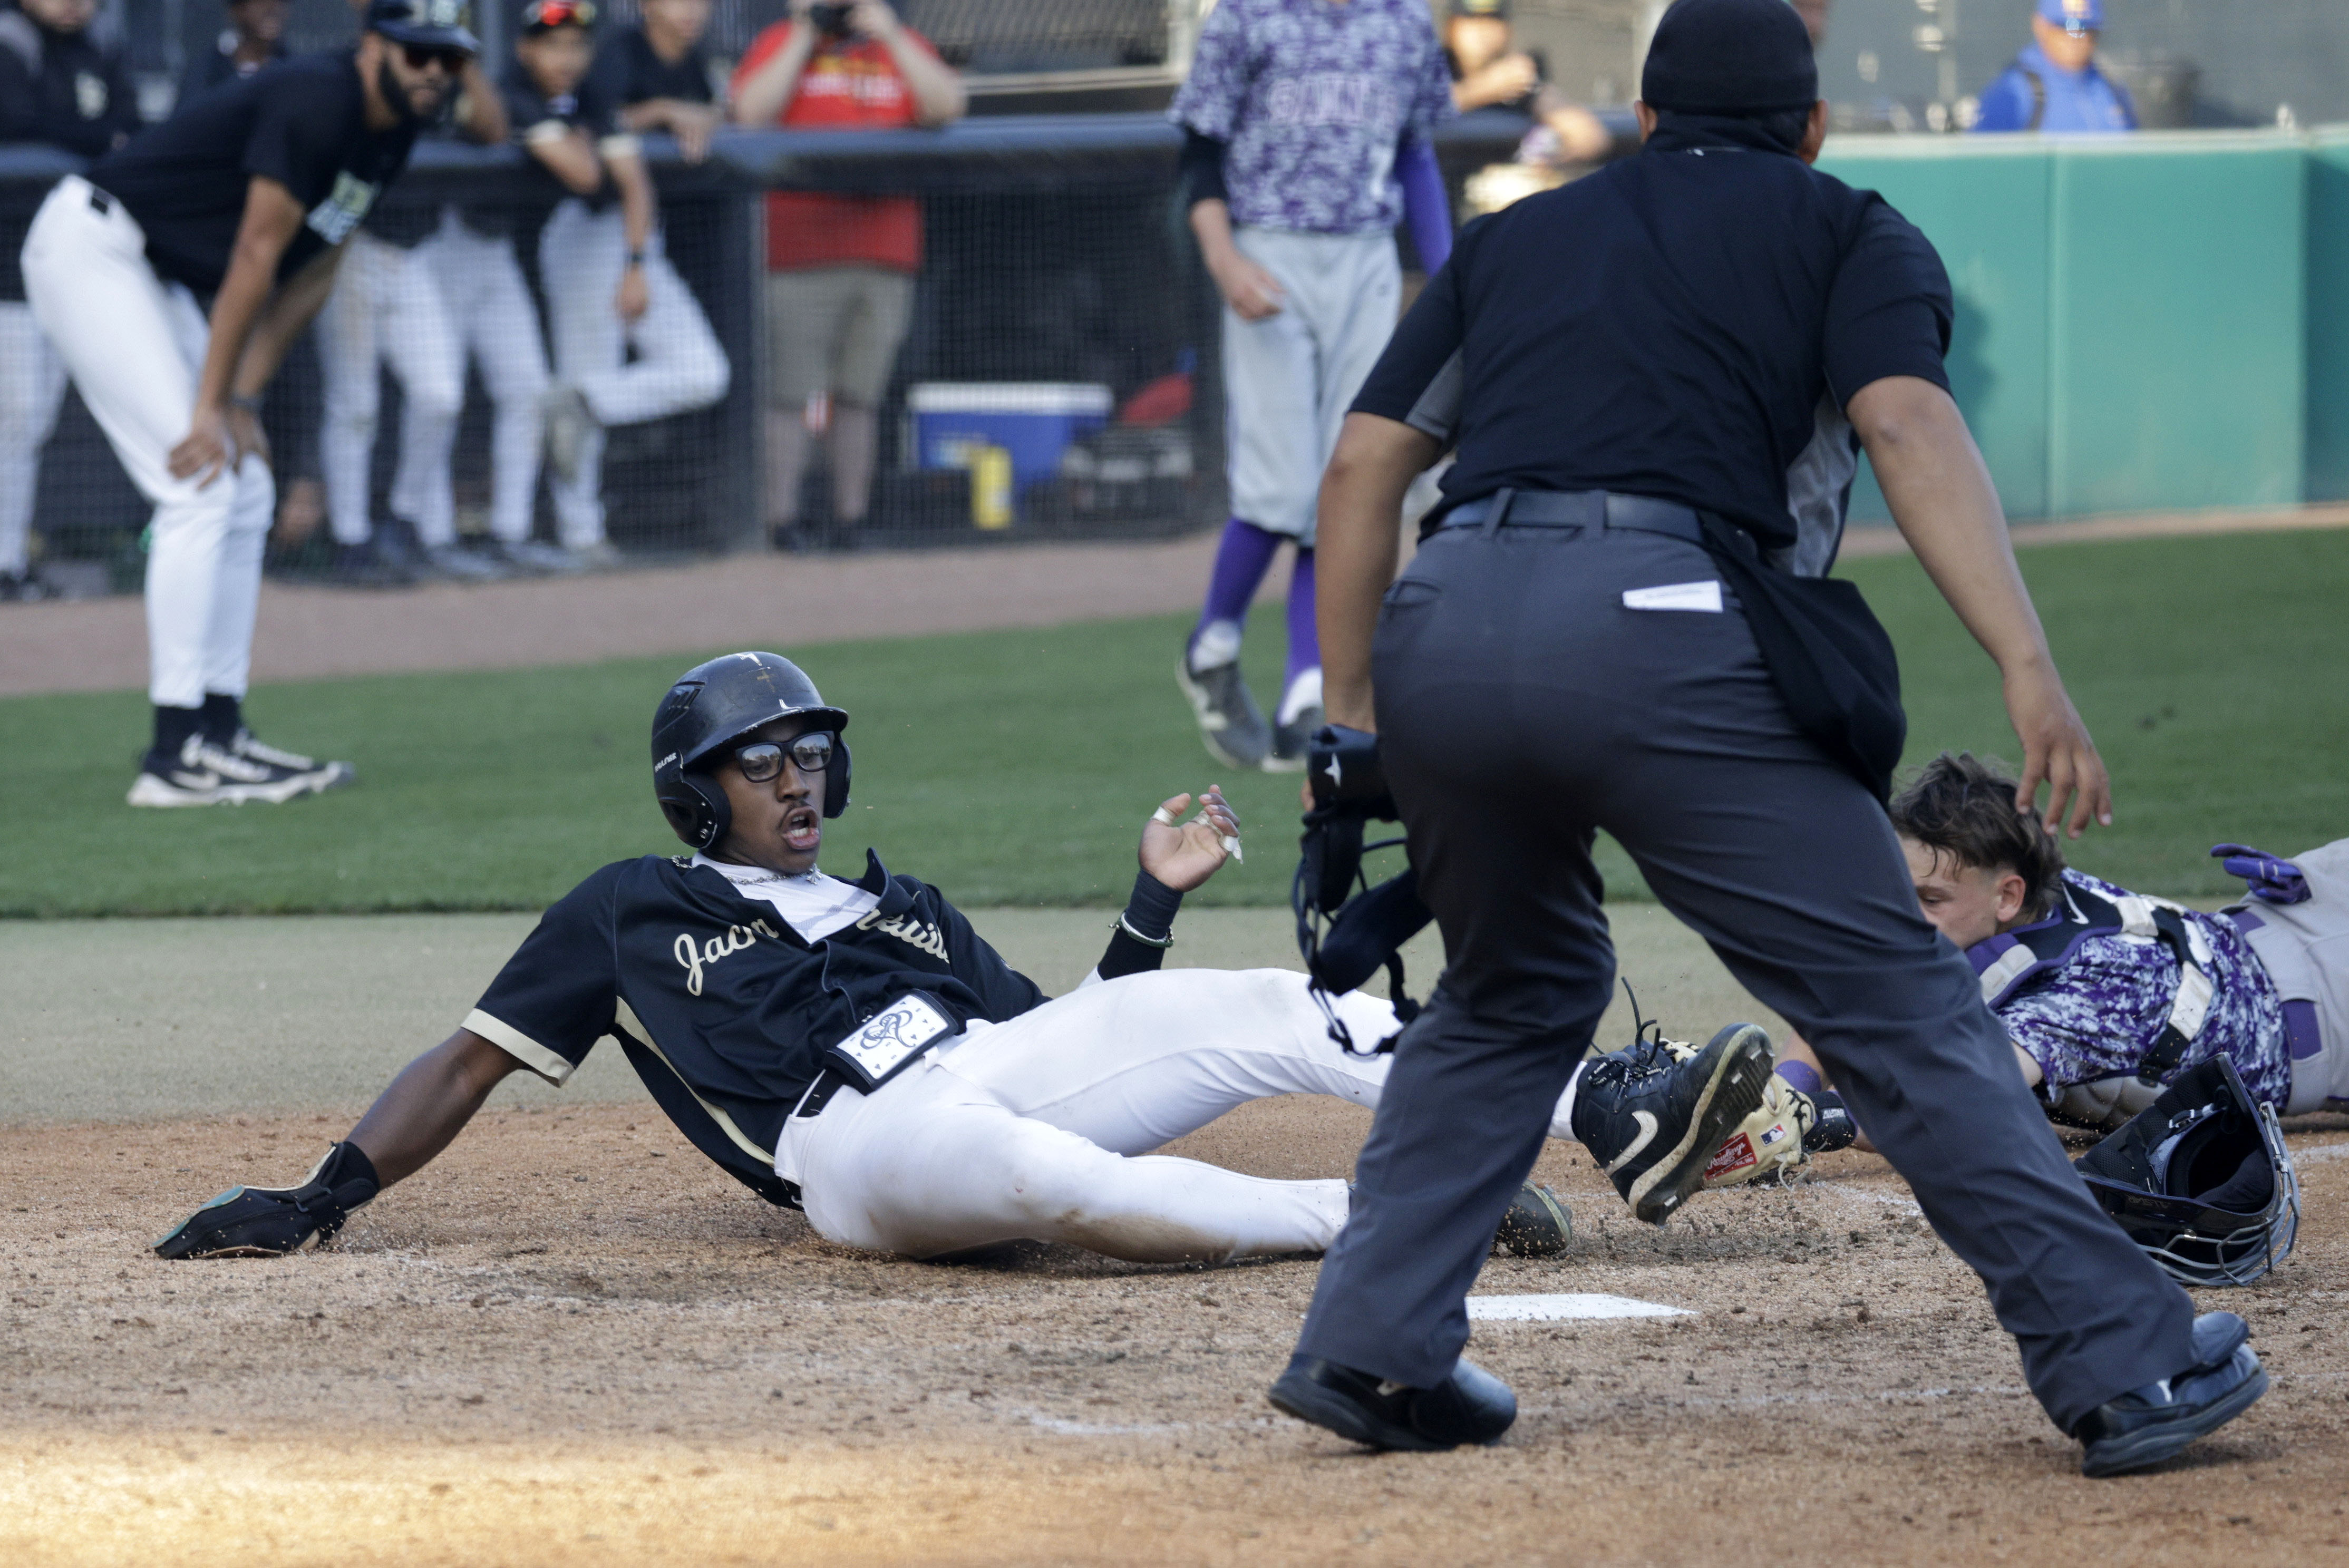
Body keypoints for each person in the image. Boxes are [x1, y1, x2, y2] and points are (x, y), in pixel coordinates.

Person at [1275, 0, 2263, 1477]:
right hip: (1662, 624)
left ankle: (1373, 1340)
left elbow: (1363, 466)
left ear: (1650, 115)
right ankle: (2125, 1363)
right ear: (1812, 125)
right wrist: (2028, 660)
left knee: (1512, 984)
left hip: (1448, 615)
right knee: (1896, 1002)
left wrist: (1350, 716)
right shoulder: (1849, 225)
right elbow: (1910, 424)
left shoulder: (1522, 234)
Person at [150, 649, 1643, 1268]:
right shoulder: (631, 909)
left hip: (980, 1067)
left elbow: (1083, 1040)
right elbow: (472, 1056)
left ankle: (1598, 1100)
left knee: (1260, 1000)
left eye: (811, 754)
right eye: (761, 762)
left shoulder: (905, 908)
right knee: (1041, 1180)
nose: (798, 779)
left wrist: (1146, 901)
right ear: (698, 791)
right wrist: (322, 1192)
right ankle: (1388, 1213)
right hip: (855, 1143)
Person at [19, 0, 468, 805]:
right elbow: (257, 258)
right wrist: (208, 407)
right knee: (198, 481)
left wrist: (244, 398)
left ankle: (219, 731)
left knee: (247, 484)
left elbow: (318, 267)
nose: (435, 71)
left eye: (450, 57)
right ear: (374, 46)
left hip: (152, 273)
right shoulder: (317, 100)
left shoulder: (392, 128)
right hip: (90, 247)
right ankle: (173, 751)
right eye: (418, 52)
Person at [1168, 0, 1456, 773]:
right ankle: (1215, 640)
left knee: (1353, 467)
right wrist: (1225, 260)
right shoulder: (1247, 15)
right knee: (1281, 480)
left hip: (1364, 254)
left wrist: (1450, 275)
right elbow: (1200, 151)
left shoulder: (1404, 20)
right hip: (1268, 246)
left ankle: (1308, 681)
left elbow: (1415, 154)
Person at [1775, 751, 2349, 1132]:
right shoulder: (2009, 910)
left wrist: (1801, 1122)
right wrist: (1784, 1091)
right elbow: (1857, 985)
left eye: (1929, 898)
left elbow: (1949, 1101)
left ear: (2006, 896)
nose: (1904, 917)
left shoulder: (2090, 987)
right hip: (2300, 922)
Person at [730, 0, 964, 553]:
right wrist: (803, 34)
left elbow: (946, 105)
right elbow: (749, 111)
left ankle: (849, 522)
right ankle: (780, 524)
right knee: (788, 393)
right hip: (799, 251)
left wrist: (893, 37)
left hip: (883, 251)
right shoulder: (781, 42)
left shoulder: (897, 43)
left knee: (860, 395)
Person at [312, 0, 509, 587]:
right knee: (355, 406)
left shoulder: (433, 74)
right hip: (346, 249)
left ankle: (399, 520)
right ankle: (350, 542)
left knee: (440, 393)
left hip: (411, 251)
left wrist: (458, 50)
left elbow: (494, 129)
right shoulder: (339, 73)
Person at [402, 0, 597, 579]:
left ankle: (510, 530)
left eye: (573, 45)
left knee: (527, 390)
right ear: (524, 47)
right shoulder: (504, 87)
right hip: (443, 246)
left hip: (497, 254)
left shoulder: (564, 99)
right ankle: (432, 536)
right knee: (441, 396)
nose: (565, 57)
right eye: (552, 43)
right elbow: (584, 171)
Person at [537, 0, 730, 568]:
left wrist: (703, 114)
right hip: (589, 231)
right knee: (584, 364)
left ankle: (582, 401)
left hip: (641, 239)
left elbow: (719, 113)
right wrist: (668, 110)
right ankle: (579, 535)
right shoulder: (617, 50)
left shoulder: (694, 60)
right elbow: (599, 120)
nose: (691, 10)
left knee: (703, 372)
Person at [0, 0, 140, 601]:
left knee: (30, 420)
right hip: (6, 268)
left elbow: (131, 125)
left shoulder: (99, 44)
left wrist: (87, 136)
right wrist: (93, 138)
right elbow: (15, 123)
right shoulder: (8, 39)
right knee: (16, 416)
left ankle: (9, 561)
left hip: (69, 268)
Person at [1972, 0, 2135, 134]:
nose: (2075, 38)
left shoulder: (2111, 87)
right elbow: (1981, 166)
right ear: (2041, 26)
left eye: (2084, 29)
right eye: (2064, 27)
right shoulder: (2015, 91)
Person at [178, 0, 290, 105]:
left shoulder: (292, 70)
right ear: (237, 11)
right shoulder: (206, 72)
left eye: (279, 2)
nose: (271, 8)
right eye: (260, 2)